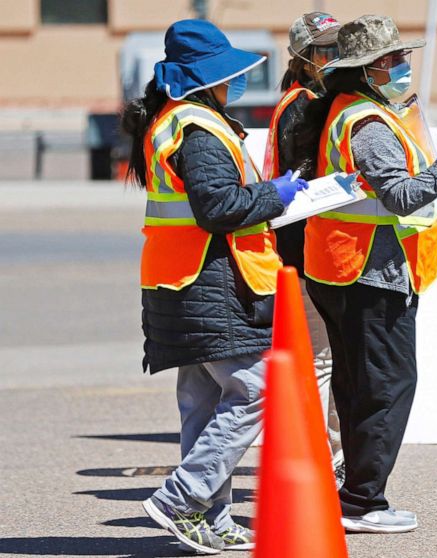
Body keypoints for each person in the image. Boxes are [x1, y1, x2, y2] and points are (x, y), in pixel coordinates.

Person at [296, 15, 437, 533]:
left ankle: (355, 492)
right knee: (386, 384)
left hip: (341, 267)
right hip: (369, 272)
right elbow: (403, 195)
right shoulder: (367, 123)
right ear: (368, 70)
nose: (404, 66)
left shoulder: (344, 109)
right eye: (393, 60)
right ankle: (363, 501)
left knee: (358, 383)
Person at [120, 19, 307, 554]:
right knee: (255, 389)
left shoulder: (173, 119)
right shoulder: (199, 128)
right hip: (211, 280)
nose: (236, 83)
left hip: (177, 280)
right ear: (210, 79)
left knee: (202, 404)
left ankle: (211, 518)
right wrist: (277, 194)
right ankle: (184, 497)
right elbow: (220, 208)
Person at [263, 10, 345, 485]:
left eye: (338, 46)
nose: (333, 55)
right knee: (320, 360)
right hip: (300, 247)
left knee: (326, 357)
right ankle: (322, 458)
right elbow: (305, 181)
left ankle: (326, 454)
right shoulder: (303, 104)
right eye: (324, 49)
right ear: (303, 57)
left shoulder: (309, 99)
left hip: (304, 245)